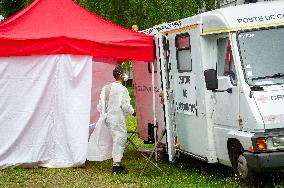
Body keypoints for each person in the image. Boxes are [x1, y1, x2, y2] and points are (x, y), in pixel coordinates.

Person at [96, 66, 135, 174]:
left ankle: (116, 163)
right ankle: (116, 167)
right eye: (125, 72)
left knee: (115, 139)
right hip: (117, 118)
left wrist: (104, 114)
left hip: (107, 118)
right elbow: (125, 105)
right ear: (121, 75)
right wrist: (133, 112)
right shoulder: (122, 89)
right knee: (120, 139)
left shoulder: (106, 87)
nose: (126, 75)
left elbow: (100, 105)